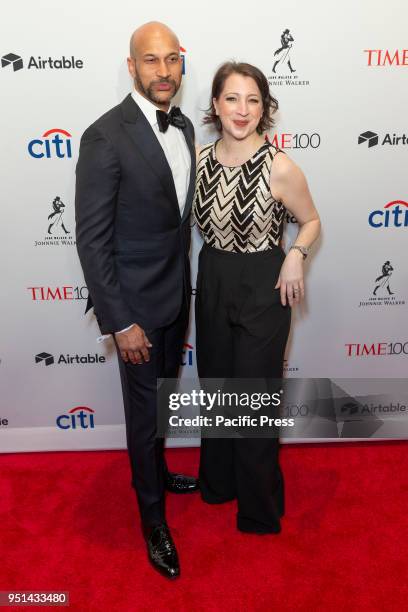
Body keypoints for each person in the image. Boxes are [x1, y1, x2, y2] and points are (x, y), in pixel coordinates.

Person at [75, 22, 198, 580]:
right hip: (136, 313)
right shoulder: (105, 135)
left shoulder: (188, 127)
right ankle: (153, 520)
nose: (164, 72)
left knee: (163, 403)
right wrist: (119, 321)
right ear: (132, 67)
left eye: (172, 60)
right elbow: (92, 239)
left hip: (176, 299)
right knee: (142, 411)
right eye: (151, 61)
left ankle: (159, 468)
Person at [194, 61, 320, 534]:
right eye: (232, 98)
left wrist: (295, 256)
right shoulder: (199, 160)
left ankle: (259, 508)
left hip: (265, 284)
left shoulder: (280, 166)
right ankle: (219, 484)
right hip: (213, 279)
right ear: (216, 104)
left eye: (253, 100)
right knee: (217, 390)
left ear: (265, 108)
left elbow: (311, 220)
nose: (242, 110)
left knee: (253, 397)